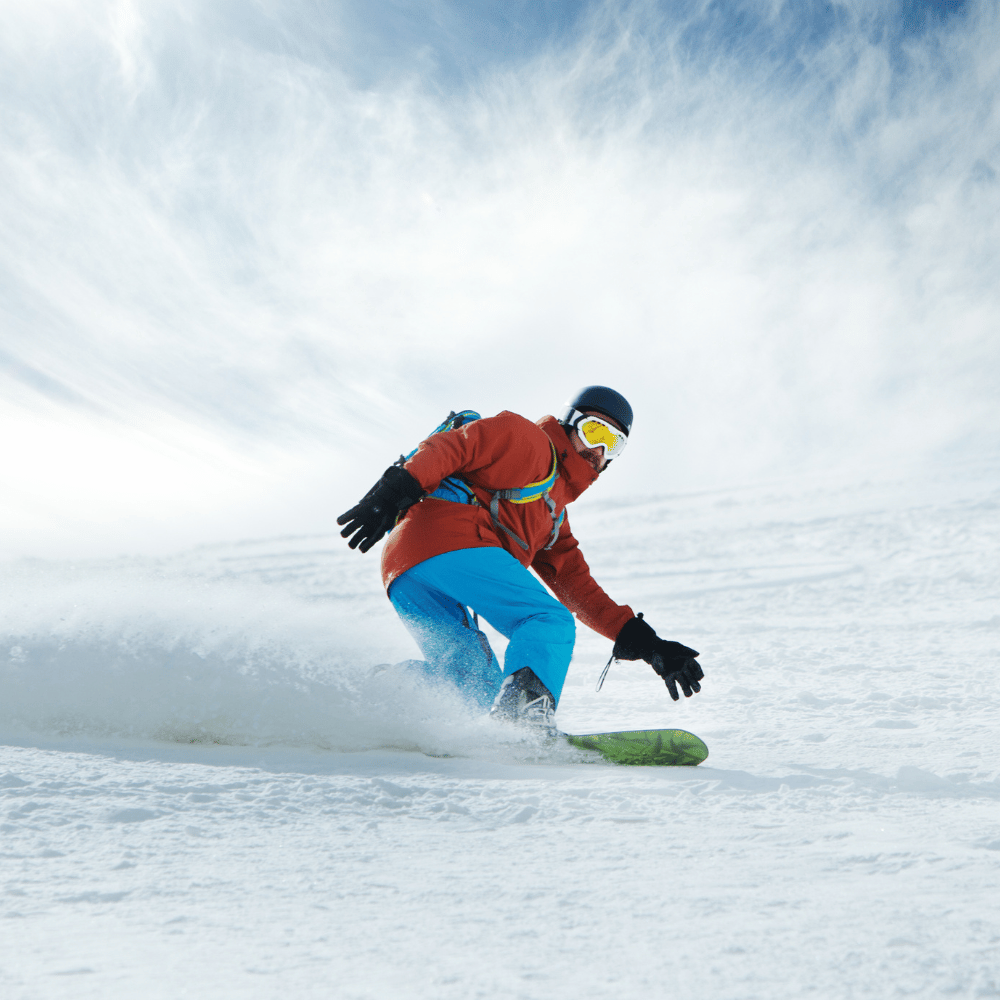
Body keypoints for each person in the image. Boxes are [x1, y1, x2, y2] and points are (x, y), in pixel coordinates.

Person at [337, 386, 703, 730]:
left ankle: (377, 693)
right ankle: (520, 721)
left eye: (614, 445)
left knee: (470, 687)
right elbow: (454, 447)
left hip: (406, 568)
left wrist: (647, 643)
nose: (599, 451)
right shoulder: (528, 441)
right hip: (444, 538)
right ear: (569, 423)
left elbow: (576, 586)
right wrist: (393, 490)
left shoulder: (553, 517)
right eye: (595, 432)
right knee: (546, 620)